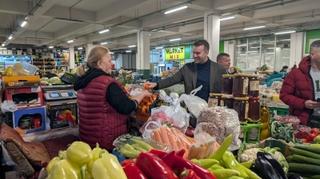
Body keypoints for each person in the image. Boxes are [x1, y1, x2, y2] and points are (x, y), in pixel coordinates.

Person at [74, 46, 151, 150]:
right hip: (106, 140)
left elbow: (101, 102)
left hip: (87, 138)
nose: (112, 64)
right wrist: (142, 94)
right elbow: (126, 107)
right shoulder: (107, 82)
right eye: (109, 60)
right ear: (99, 63)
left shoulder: (83, 80)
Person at [145, 40, 225, 101]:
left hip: (211, 108)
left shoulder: (218, 69)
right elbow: (172, 80)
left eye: (198, 53)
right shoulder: (187, 68)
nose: (194, 56)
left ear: (206, 52)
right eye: (193, 53)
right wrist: (156, 84)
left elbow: (225, 89)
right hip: (192, 107)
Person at [280, 40, 320, 127]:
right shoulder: (295, 74)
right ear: (312, 54)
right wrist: (303, 103)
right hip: (305, 121)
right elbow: (284, 95)